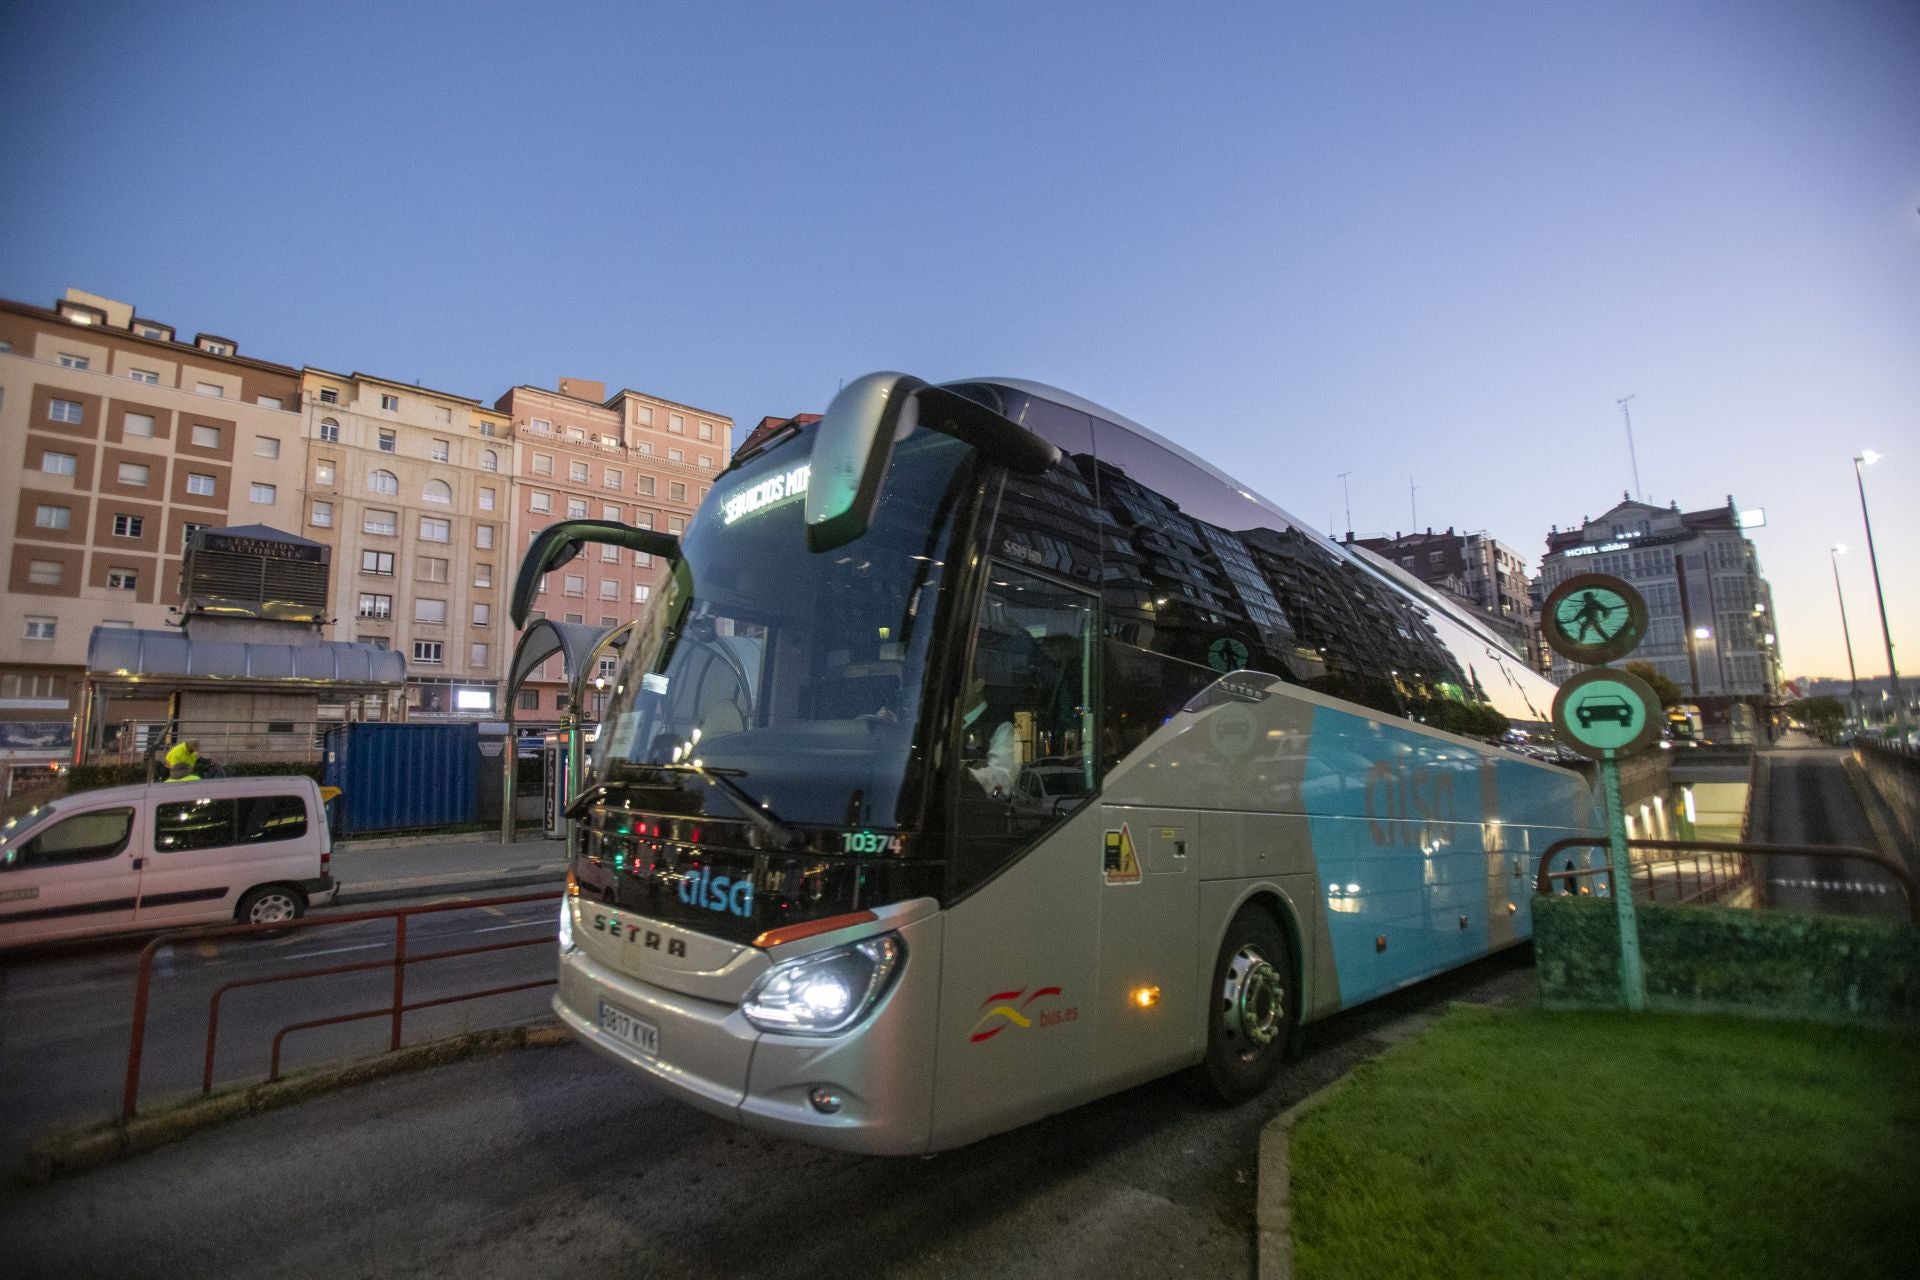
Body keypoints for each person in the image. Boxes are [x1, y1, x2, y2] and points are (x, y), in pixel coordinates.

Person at [963, 677, 1017, 797]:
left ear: (978, 685)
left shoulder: (1002, 727)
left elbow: (1001, 786)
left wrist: (964, 773)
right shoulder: (956, 721)